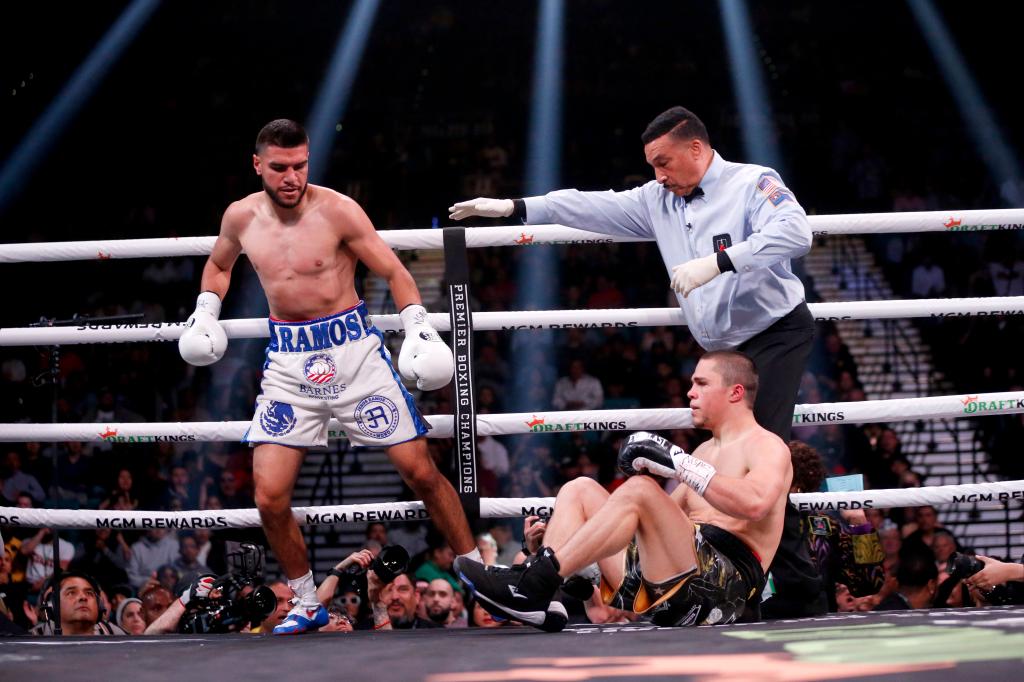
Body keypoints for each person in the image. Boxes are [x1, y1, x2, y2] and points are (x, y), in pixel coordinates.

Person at [178, 119, 477, 634]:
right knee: (269, 495)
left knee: (421, 471)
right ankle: (304, 598)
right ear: (258, 166)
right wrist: (206, 310)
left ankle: (481, 574)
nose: (291, 176)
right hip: (289, 363)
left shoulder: (338, 209)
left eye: (300, 165)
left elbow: (395, 272)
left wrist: (418, 326)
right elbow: (220, 265)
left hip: (354, 354)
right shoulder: (240, 216)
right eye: (279, 168)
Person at [449, 106, 814, 440]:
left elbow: (796, 232)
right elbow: (588, 204)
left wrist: (720, 261)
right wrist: (515, 206)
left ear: (697, 149)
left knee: (761, 444)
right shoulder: (656, 200)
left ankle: (787, 514)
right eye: (653, 166)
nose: (658, 176)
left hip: (774, 333)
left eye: (664, 163)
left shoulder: (752, 182)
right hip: (722, 349)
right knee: (727, 446)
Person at [458, 351, 791, 630]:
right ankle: (539, 581)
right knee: (581, 489)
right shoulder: (703, 452)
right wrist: (561, 543)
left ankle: (535, 582)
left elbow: (756, 504)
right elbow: (654, 525)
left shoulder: (766, 446)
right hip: (672, 584)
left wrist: (679, 464)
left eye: (701, 384)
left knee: (641, 489)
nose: (690, 392)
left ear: (734, 392)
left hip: (720, 591)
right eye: (692, 384)